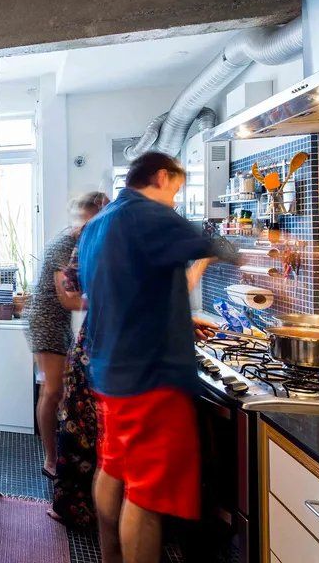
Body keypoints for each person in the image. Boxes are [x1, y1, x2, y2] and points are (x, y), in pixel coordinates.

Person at [77, 152, 235, 563]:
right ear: (162, 177)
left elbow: (128, 292)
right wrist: (264, 248)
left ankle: (110, 556)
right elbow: (214, 243)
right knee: (146, 497)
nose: (176, 203)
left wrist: (178, 320)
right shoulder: (147, 214)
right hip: (151, 380)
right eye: (176, 191)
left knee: (113, 467)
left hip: (111, 371)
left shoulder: (98, 225)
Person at [28, 191, 109, 477]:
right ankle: (51, 460)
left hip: (53, 321)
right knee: (53, 391)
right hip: (47, 321)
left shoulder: (73, 238)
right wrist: (110, 300)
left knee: (52, 391)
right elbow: (68, 299)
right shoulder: (67, 245)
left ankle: (57, 456)